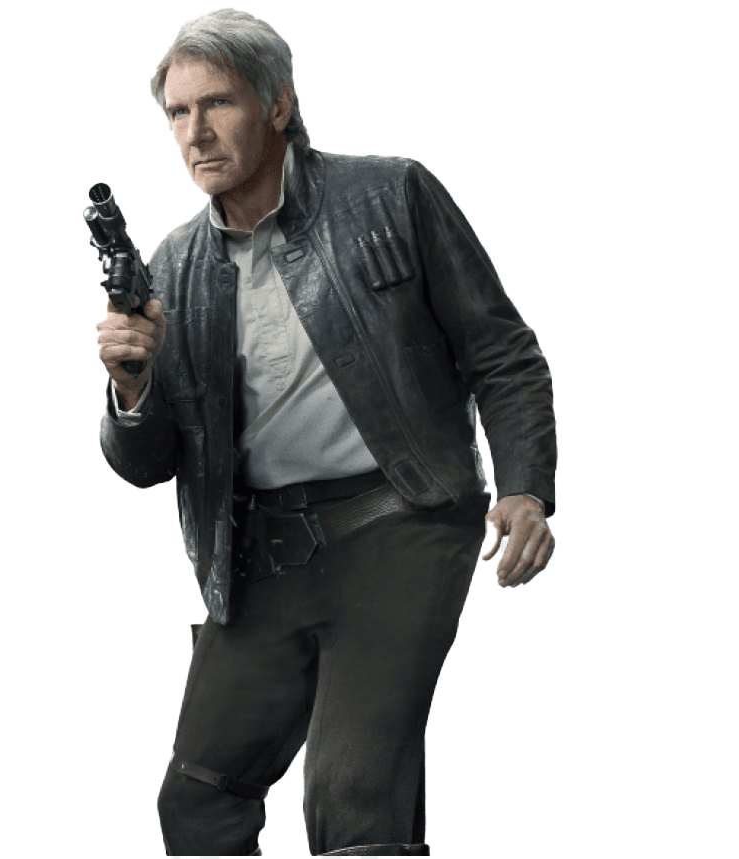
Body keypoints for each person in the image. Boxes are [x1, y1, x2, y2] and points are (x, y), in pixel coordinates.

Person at [94, 7, 557, 856]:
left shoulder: (392, 194)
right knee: (196, 803)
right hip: (260, 559)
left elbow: (502, 351)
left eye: (217, 103)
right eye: (178, 112)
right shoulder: (174, 267)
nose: (195, 132)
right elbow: (148, 463)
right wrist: (132, 383)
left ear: (277, 104)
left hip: (400, 526)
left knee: (354, 803)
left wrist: (525, 488)